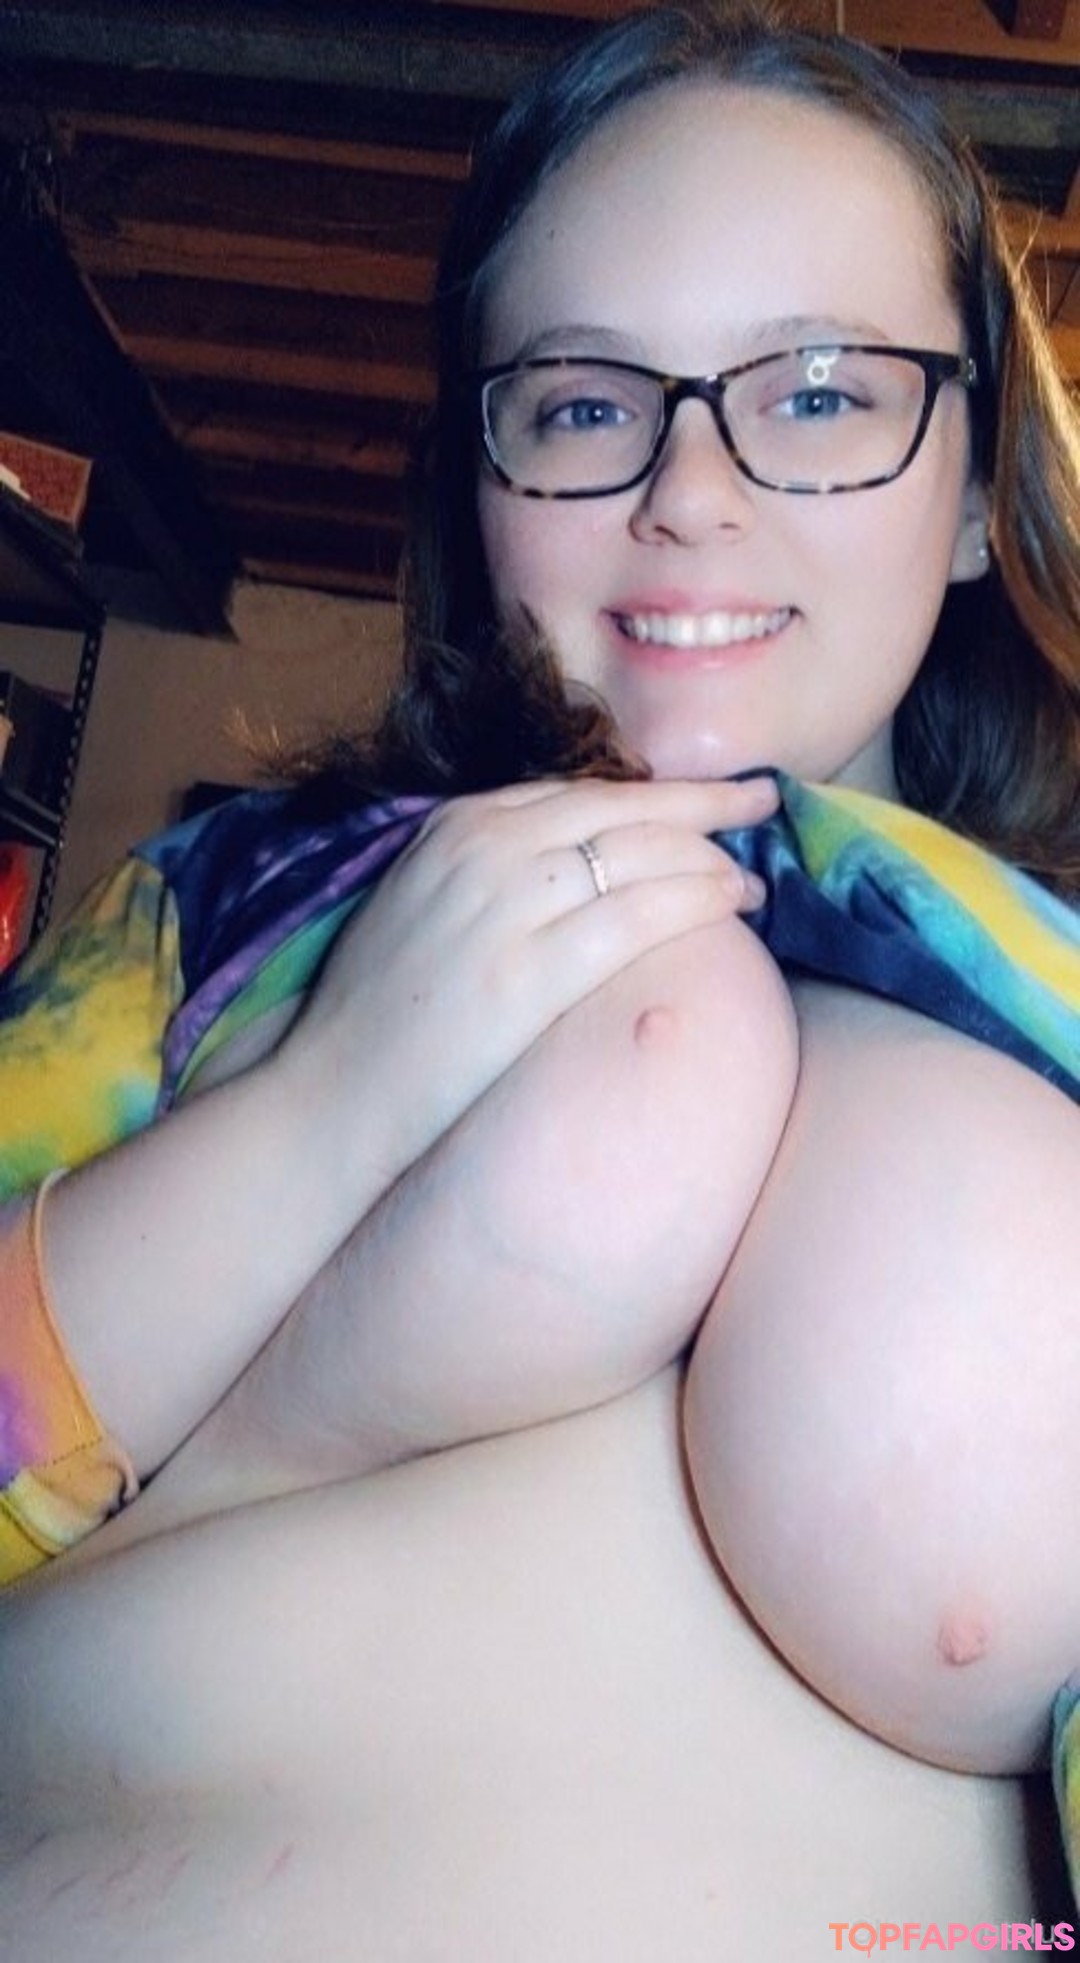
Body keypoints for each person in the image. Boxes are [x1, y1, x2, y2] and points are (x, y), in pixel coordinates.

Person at [1, 2, 1079, 1954]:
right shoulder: (211, 905)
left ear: (977, 485)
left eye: (817, 391)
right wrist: (325, 1099)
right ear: (481, 481)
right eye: (585, 403)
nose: (691, 490)